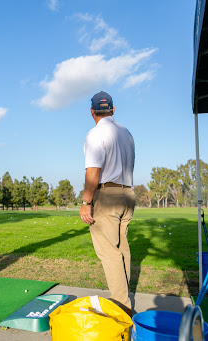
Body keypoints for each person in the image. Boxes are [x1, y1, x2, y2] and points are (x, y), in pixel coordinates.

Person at [79, 91, 135, 316]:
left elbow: (93, 172)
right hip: (128, 193)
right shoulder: (126, 133)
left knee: (108, 251)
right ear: (113, 109)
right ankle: (123, 298)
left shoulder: (95, 134)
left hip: (108, 195)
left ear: (92, 111)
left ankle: (121, 306)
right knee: (122, 248)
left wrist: (86, 202)